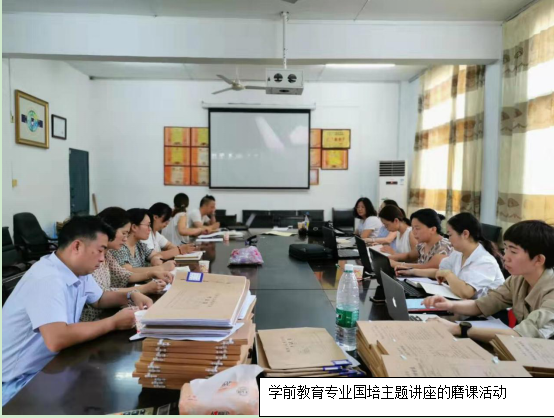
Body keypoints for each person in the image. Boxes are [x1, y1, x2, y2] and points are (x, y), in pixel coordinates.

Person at [2, 216, 153, 406]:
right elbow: (57, 338)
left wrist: (131, 295)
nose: (102, 258)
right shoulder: (47, 279)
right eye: (100, 250)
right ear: (77, 246)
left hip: (49, 365)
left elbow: (99, 299)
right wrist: (113, 322)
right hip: (18, 382)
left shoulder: (77, 271)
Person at [423, 220, 554, 341]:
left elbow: (521, 335)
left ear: (538, 260)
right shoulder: (517, 280)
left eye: (513, 251)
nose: (505, 257)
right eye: (506, 248)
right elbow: (483, 304)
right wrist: (450, 305)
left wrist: (458, 329)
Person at [81, 207, 174, 322]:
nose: (125, 238)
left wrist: (152, 273)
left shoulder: (107, 254)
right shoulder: (91, 259)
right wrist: (144, 288)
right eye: (124, 233)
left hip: (104, 314)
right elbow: (102, 295)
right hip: (93, 320)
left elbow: (124, 274)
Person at [399, 212, 505, 299]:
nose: (449, 240)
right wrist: (411, 271)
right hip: (463, 304)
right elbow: (439, 272)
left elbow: (466, 292)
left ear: (465, 234)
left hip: (487, 314)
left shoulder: (484, 260)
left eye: (450, 235)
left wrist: (448, 274)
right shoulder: (458, 253)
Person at [111, 209, 175, 274]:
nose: (150, 229)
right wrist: (161, 268)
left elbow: (155, 255)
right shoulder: (120, 246)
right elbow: (128, 272)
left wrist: (155, 259)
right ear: (134, 227)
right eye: (148, 225)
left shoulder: (139, 245)